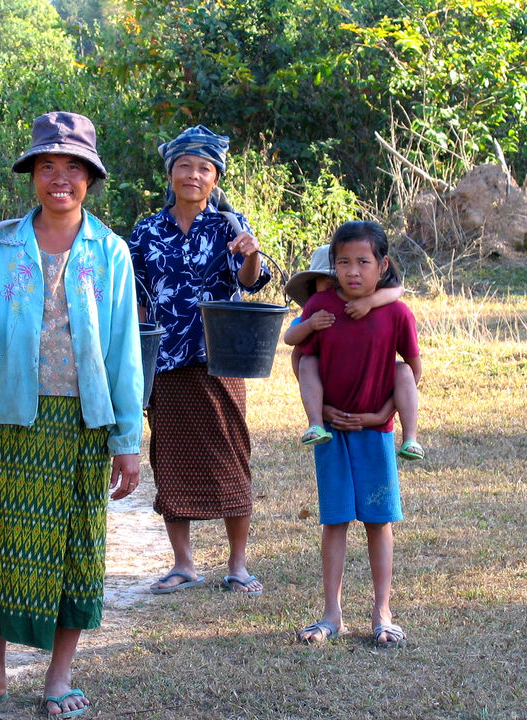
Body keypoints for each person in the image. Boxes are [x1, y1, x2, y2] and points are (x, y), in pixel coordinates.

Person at [0, 111, 143, 717]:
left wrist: (127, 437)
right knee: (0, 546)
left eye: (72, 167)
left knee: (73, 550)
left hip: (85, 424)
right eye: (47, 166)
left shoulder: (110, 252)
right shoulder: (1, 246)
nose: (58, 177)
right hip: (15, 418)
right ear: (32, 175)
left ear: (90, 178)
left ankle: (58, 679)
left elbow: (123, 351)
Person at [128, 125, 270, 596]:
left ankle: (238, 565)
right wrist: (139, 359)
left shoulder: (230, 226)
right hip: (165, 361)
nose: (193, 174)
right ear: (170, 174)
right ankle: (183, 563)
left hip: (220, 358)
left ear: (215, 178)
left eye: (204, 168)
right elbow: (138, 300)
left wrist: (250, 253)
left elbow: (251, 283)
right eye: (184, 166)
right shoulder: (147, 230)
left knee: (232, 455)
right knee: (170, 456)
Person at [294, 221, 421, 647]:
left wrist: (379, 415)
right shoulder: (322, 308)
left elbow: (411, 373)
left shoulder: (397, 312)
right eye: (343, 262)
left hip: (376, 433)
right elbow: (301, 362)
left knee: (378, 520)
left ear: (382, 265)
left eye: (363, 262)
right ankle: (331, 614)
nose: (352, 271)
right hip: (329, 433)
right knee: (334, 521)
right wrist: (324, 412)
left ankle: (382, 612)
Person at [282, 244, 423, 459]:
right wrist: (322, 408)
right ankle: (315, 424)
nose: (335, 288)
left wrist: (383, 414)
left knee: (403, 371)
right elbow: (294, 350)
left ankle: (411, 437)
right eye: (327, 283)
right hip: (331, 403)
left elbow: (398, 289)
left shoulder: (392, 311)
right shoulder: (316, 312)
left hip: (374, 410)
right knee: (308, 361)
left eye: (334, 283)